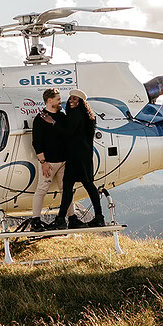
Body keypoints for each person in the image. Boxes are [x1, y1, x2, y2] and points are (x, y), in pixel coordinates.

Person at [52, 88, 106, 229]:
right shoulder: (87, 115)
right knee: (88, 185)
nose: (71, 101)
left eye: (74, 99)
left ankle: (61, 219)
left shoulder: (76, 114)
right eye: (70, 98)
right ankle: (99, 217)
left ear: (80, 102)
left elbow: (67, 133)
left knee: (68, 187)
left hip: (75, 156)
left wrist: (53, 123)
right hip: (84, 155)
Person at [29, 87, 76, 232]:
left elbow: (68, 135)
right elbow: (36, 142)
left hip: (64, 162)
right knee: (41, 189)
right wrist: (43, 162)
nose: (60, 100)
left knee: (66, 190)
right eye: (57, 98)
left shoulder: (62, 116)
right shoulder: (40, 119)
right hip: (48, 162)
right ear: (49, 100)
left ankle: (72, 217)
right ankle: (35, 220)